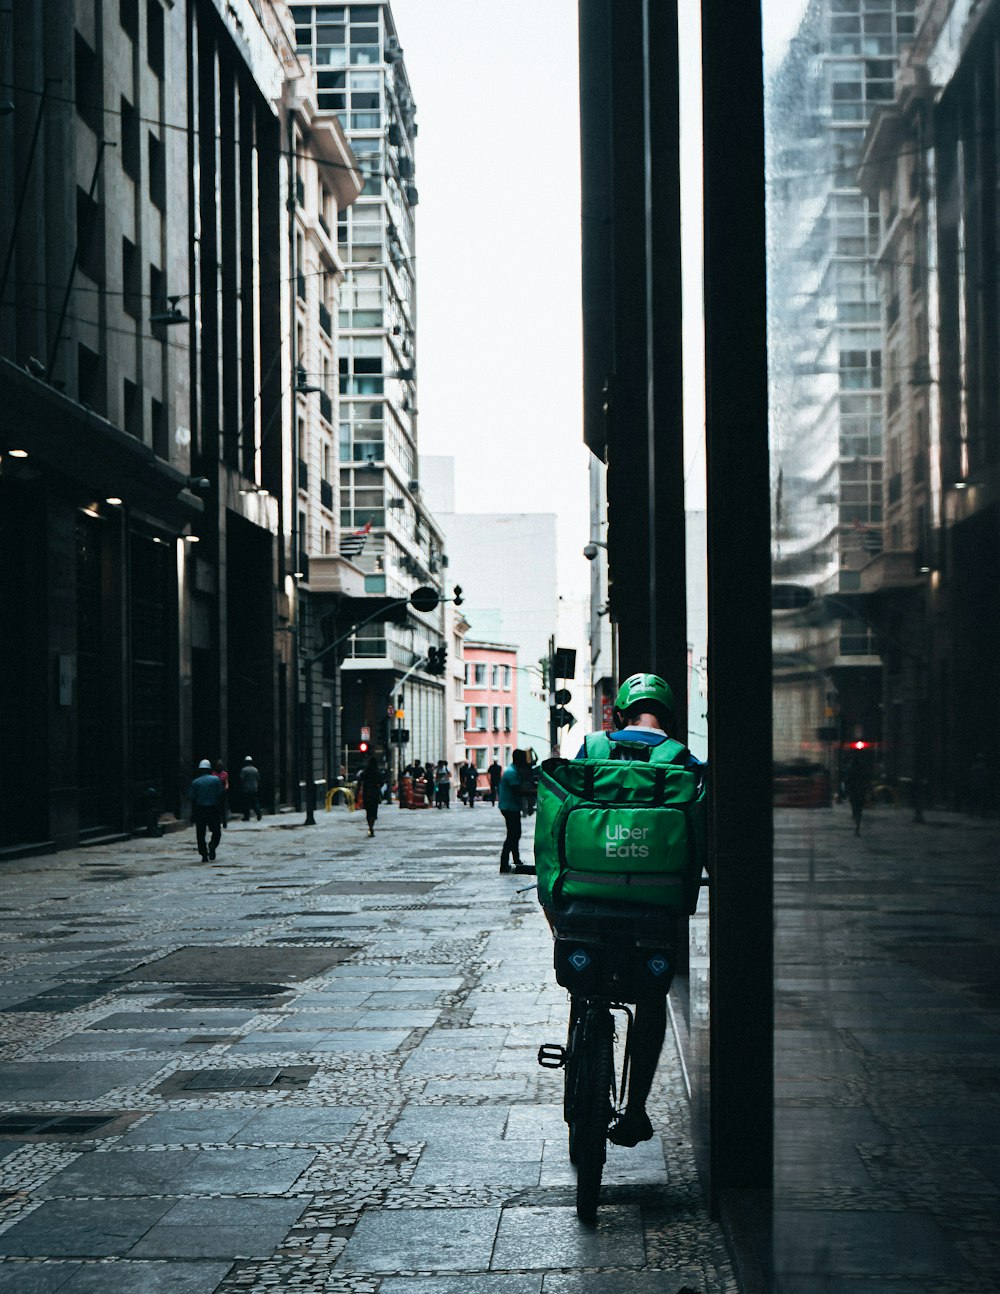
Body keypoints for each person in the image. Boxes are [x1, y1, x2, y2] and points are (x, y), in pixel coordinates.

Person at [579, 672, 701, 1149]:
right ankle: (635, 1110)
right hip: (653, 910)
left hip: (586, 904)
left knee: (584, 981)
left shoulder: (591, 749)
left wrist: (552, 894)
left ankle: (582, 1038)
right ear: (668, 717)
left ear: (618, 714)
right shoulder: (683, 761)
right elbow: (695, 845)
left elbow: (556, 819)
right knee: (651, 1002)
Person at [187, 758, 225, 861]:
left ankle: (204, 854)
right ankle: (212, 845)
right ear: (209, 769)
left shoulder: (195, 782)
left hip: (200, 810)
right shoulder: (215, 780)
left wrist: (193, 814)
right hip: (213, 809)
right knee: (216, 831)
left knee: (200, 833)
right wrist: (221, 812)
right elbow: (220, 796)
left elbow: (193, 799)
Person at [498, 749, 528, 873]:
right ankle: (504, 864)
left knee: (515, 834)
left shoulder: (512, 770)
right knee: (513, 835)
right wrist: (535, 792)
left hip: (510, 807)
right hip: (510, 807)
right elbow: (517, 791)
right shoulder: (512, 773)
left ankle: (516, 860)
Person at [844, 749, 870, 836]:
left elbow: (847, 781)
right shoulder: (862, 769)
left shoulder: (850, 768)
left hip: (854, 792)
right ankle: (857, 825)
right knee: (859, 809)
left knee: (855, 808)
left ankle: (856, 822)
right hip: (860, 791)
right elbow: (866, 780)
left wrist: (847, 790)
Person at [359, 756, 383, 836]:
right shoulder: (378, 773)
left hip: (367, 794)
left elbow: (360, 782)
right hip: (375, 794)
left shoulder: (365, 772)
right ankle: (371, 826)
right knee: (374, 811)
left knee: (368, 811)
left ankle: (370, 826)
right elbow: (382, 782)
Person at [239, 756, 262, 821]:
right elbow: (258, 779)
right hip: (254, 789)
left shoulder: (244, 770)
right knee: (255, 802)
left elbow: (241, 779)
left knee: (246, 804)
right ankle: (259, 814)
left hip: (246, 789)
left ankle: (246, 817)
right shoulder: (255, 769)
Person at [213, 758, 230, 827]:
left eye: (220, 766)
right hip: (215, 793)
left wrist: (226, 788)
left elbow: (226, 782)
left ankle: (224, 822)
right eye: (218, 766)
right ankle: (217, 822)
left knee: (223, 808)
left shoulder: (224, 774)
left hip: (222, 793)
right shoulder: (213, 774)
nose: (219, 767)